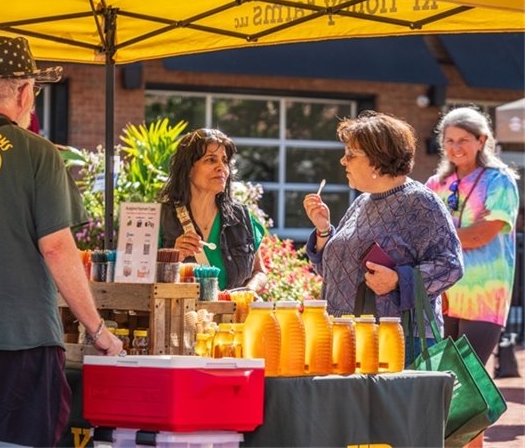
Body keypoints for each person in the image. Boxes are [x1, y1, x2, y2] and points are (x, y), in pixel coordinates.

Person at [0, 36, 123, 447]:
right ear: (22, 92)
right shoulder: (37, 153)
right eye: (33, 92)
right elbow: (56, 247)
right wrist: (98, 329)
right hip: (19, 341)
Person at [303, 110, 464, 362]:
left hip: (395, 341)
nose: (343, 162)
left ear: (377, 160)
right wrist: (324, 230)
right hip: (345, 338)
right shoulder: (362, 202)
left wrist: (398, 279)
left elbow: (451, 266)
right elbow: (333, 273)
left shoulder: (420, 202)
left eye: (351, 155)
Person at [426, 106, 520, 366]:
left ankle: (483, 410)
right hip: (441, 294)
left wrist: (439, 236)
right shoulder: (435, 184)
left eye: (464, 140)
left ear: (481, 141)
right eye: (450, 141)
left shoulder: (499, 180)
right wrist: (459, 234)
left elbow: (482, 235)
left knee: (468, 378)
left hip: (483, 294)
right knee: (441, 380)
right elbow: (421, 231)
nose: (456, 147)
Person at [159, 128, 267, 292]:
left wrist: (249, 290)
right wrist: (172, 258)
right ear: (188, 169)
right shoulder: (160, 219)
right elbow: (136, 277)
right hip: (182, 317)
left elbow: (259, 272)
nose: (221, 167)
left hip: (233, 317)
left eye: (224, 161)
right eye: (211, 160)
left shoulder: (242, 217)